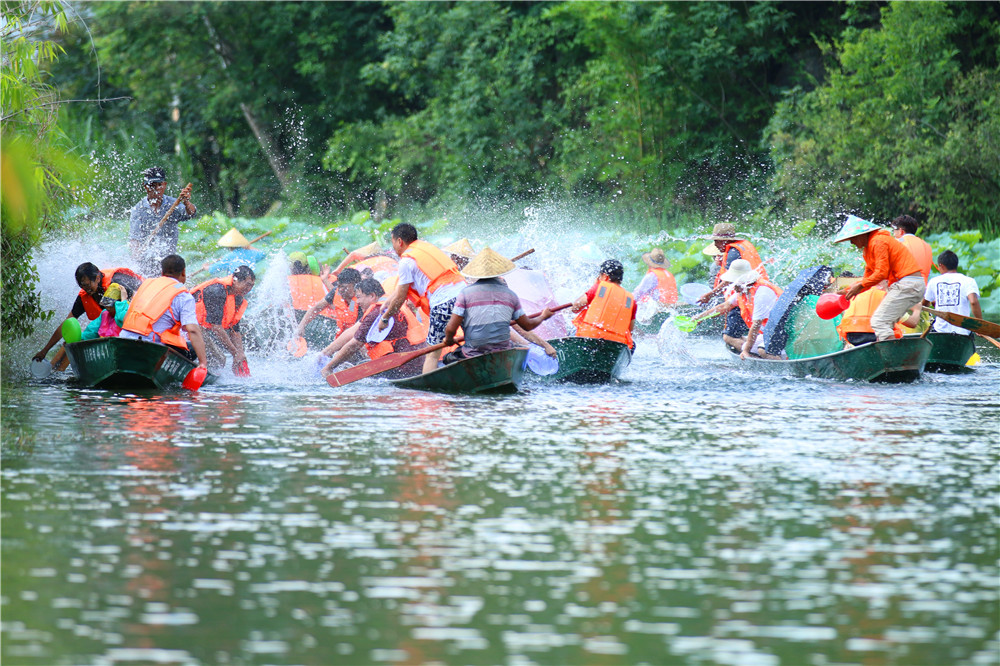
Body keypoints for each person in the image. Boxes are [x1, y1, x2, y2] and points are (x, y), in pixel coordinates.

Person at [377, 223, 466, 374]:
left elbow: (401, 297)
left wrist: (385, 318)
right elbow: (404, 288)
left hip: (444, 302)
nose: (393, 248)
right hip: (466, 295)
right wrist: (388, 300)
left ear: (400, 241)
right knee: (473, 337)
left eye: (392, 243)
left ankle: (428, 389)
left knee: (432, 352)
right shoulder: (427, 248)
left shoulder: (406, 261)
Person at [440, 247, 554, 363]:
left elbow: (450, 328)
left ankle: (527, 348)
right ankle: (527, 349)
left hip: (474, 352)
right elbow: (525, 326)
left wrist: (448, 339)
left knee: (447, 359)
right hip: (503, 350)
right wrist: (544, 320)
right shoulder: (509, 295)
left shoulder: (464, 293)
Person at [833, 215, 924, 342]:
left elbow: (881, 273)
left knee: (879, 322)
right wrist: (848, 290)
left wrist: (859, 286)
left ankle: (893, 356)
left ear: (862, 235)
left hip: (908, 283)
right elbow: (868, 279)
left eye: (852, 239)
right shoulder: (868, 250)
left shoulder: (878, 241)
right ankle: (890, 355)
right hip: (903, 285)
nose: (852, 242)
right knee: (880, 322)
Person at [32, 263, 144, 362]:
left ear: (97, 278)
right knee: (73, 341)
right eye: (82, 286)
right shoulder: (84, 296)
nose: (85, 289)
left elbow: (139, 304)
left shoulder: (117, 286)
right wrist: (45, 350)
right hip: (112, 324)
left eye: (87, 285)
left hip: (135, 316)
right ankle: (55, 370)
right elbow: (66, 324)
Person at [320, 278, 428, 380]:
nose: (357, 302)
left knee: (354, 361)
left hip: (401, 368)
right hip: (419, 363)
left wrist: (329, 368)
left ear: (372, 296)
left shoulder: (377, 312)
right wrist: (324, 353)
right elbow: (352, 331)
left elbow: (353, 345)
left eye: (359, 297)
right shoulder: (390, 304)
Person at [118, 254, 208, 370]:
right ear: (184, 272)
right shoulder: (183, 295)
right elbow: (192, 330)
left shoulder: (146, 285)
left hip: (124, 340)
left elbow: (126, 319)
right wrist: (203, 364)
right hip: (152, 347)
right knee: (191, 349)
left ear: (162, 272)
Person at [696, 223, 770, 347]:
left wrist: (709, 295)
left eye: (717, 241)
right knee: (741, 332)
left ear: (725, 241)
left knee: (729, 337)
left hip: (746, 296)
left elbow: (729, 280)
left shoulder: (733, 253)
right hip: (754, 291)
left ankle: (750, 354)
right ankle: (753, 348)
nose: (715, 245)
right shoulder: (743, 246)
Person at [695, 259, 784, 359]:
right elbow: (725, 306)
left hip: (783, 332)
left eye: (734, 283)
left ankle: (784, 366)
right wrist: (700, 318)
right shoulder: (744, 290)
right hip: (769, 332)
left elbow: (756, 325)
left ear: (743, 280)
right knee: (734, 340)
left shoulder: (762, 292)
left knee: (762, 350)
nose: (732, 286)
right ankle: (756, 360)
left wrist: (746, 351)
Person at [129, 166, 197, 276]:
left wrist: (186, 203)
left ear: (164, 185)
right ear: (145, 186)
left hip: (169, 264)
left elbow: (191, 214)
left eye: (159, 185)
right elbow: (134, 240)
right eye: (152, 186)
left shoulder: (173, 204)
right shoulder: (138, 210)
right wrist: (136, 255)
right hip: (146, 265)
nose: (156, 189)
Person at [190, 265, 255, 374]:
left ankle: (202, 372)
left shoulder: (237, 298)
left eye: (252, 286)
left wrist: (240, 353)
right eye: (247, 284)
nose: (249, 289)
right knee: (219, 359)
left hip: (197, 327)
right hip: (184, 325)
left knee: (220, 359)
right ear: (235, 280)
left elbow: (235, 329)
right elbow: (216, 327)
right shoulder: (217, 290)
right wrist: (235, 353)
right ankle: (200, 374)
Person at [570, 259, 636, 350]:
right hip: (616, 345)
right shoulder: (631, 299)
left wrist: (594, 286)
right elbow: (630, 330)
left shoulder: (599, 288)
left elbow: (575, 307)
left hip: (590, 338)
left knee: (571, 330)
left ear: (605, 276)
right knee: (633, 345)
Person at [922, 250, 982, 335]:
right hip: (962, 332)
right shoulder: (969, 281)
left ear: (941, 265)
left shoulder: (934, 281)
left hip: (940, 331)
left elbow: (924, 304)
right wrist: (980, 326)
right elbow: (973, 302)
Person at [287, 252, 341, 345]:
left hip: (292, 324)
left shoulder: (285, 282)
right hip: (322, 324)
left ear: (290, 268)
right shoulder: (323, 281)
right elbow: (339, 302)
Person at [891, 215, 934, 284]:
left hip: (904, 287)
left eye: (894, 231)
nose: (893, 234)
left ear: (901, 231)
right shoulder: (926, 245)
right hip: (923, 287)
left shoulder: (898, 243)